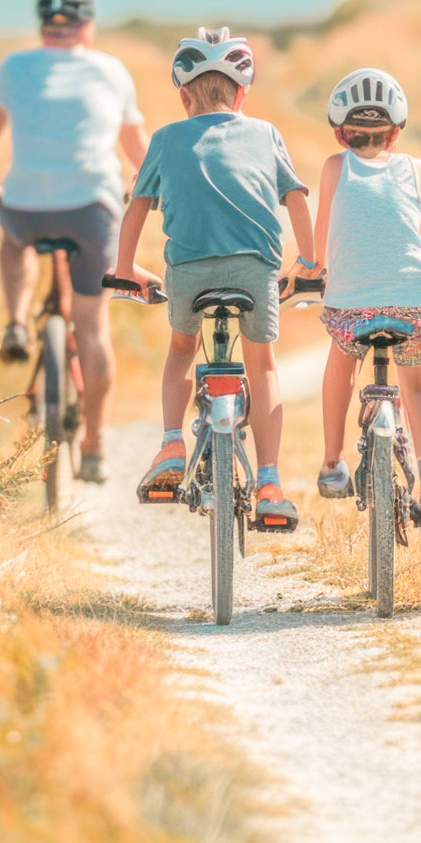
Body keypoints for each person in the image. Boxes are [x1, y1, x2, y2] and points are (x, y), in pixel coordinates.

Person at [112, 28, 316, 529]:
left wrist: (123, 269)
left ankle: (171, 444)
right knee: (262, 364)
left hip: (188, 266)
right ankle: (269, 479)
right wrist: (310, 263)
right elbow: (296, 199)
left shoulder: (163, 138)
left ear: (183, 96)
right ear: (242, 93)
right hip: (255, 266)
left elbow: (137, 206)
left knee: (182, 349)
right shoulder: (266, 134)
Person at [0, 0, 146, 484]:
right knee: (92, 327)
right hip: (91, 208)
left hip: (25, 206)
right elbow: (136, 150)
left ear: (44, 26)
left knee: (14, 240)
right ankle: (95, 448)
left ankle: (18, 319)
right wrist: (149, 186)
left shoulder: (14, 67)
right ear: (87, 27)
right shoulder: (110, 69)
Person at [310, 68, 421, 520]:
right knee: (416, 388)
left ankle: (333, 463)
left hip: (349, 312)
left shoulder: (333, 168)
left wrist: (313, 271)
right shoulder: (417, 169)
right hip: (407, 308)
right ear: (396, 133)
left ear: (341, 134)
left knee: (341, 367)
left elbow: (321, 243)